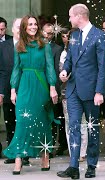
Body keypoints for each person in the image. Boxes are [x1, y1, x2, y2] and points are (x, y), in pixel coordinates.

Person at [3, 15, 58, 175]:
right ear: (25, 28)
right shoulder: (19, 45)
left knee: (42, 123)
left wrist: (53, 87)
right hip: (24, 87)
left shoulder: (44, 45)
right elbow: (16, 69)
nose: (33, 27)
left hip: (40, 87)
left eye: (35, 24)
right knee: (22, 122)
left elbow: (49, 67)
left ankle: (45, 157)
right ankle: (19, 158)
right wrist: (13, 90)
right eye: (30, 24)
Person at [57, 3, 105, 179]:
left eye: (70, 16)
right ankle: (74, 167)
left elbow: (102, 67)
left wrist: (99, 91)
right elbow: (69, 59)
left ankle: (91, 165)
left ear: (79, 16)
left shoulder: (99, 36)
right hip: (73, 90)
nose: (69, 19)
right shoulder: (74, 35)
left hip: (92, 91)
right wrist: (65, 71)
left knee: (92, 129)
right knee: (74, 127)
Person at [0, 18, 31, 166]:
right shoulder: (4, 46)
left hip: (25, 89)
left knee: (24, 121)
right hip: (7, 89)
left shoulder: (29, 45)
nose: (19, 29)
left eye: (22, 27)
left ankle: (24, 154)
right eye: (17, 27)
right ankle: (13, 153)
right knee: (10, 122)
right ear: (12, 28)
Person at [59, 28, 88, 161]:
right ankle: (73, 153)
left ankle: (82, 152)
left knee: (82, 122)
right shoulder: (64, 53)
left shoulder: (85, 50)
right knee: (69, 122)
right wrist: (65, 73)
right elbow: (62, 70)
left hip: (83, 90)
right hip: (67, 92)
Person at [42, 23, 66, 157]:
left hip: (53, 88)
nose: (47, 35)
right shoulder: (36, 46)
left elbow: (57, 71)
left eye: (50, 33)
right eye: (45, 32)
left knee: (55, 119)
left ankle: (54, 147)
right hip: (39, 86)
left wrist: (55, 90)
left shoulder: (57, 49)